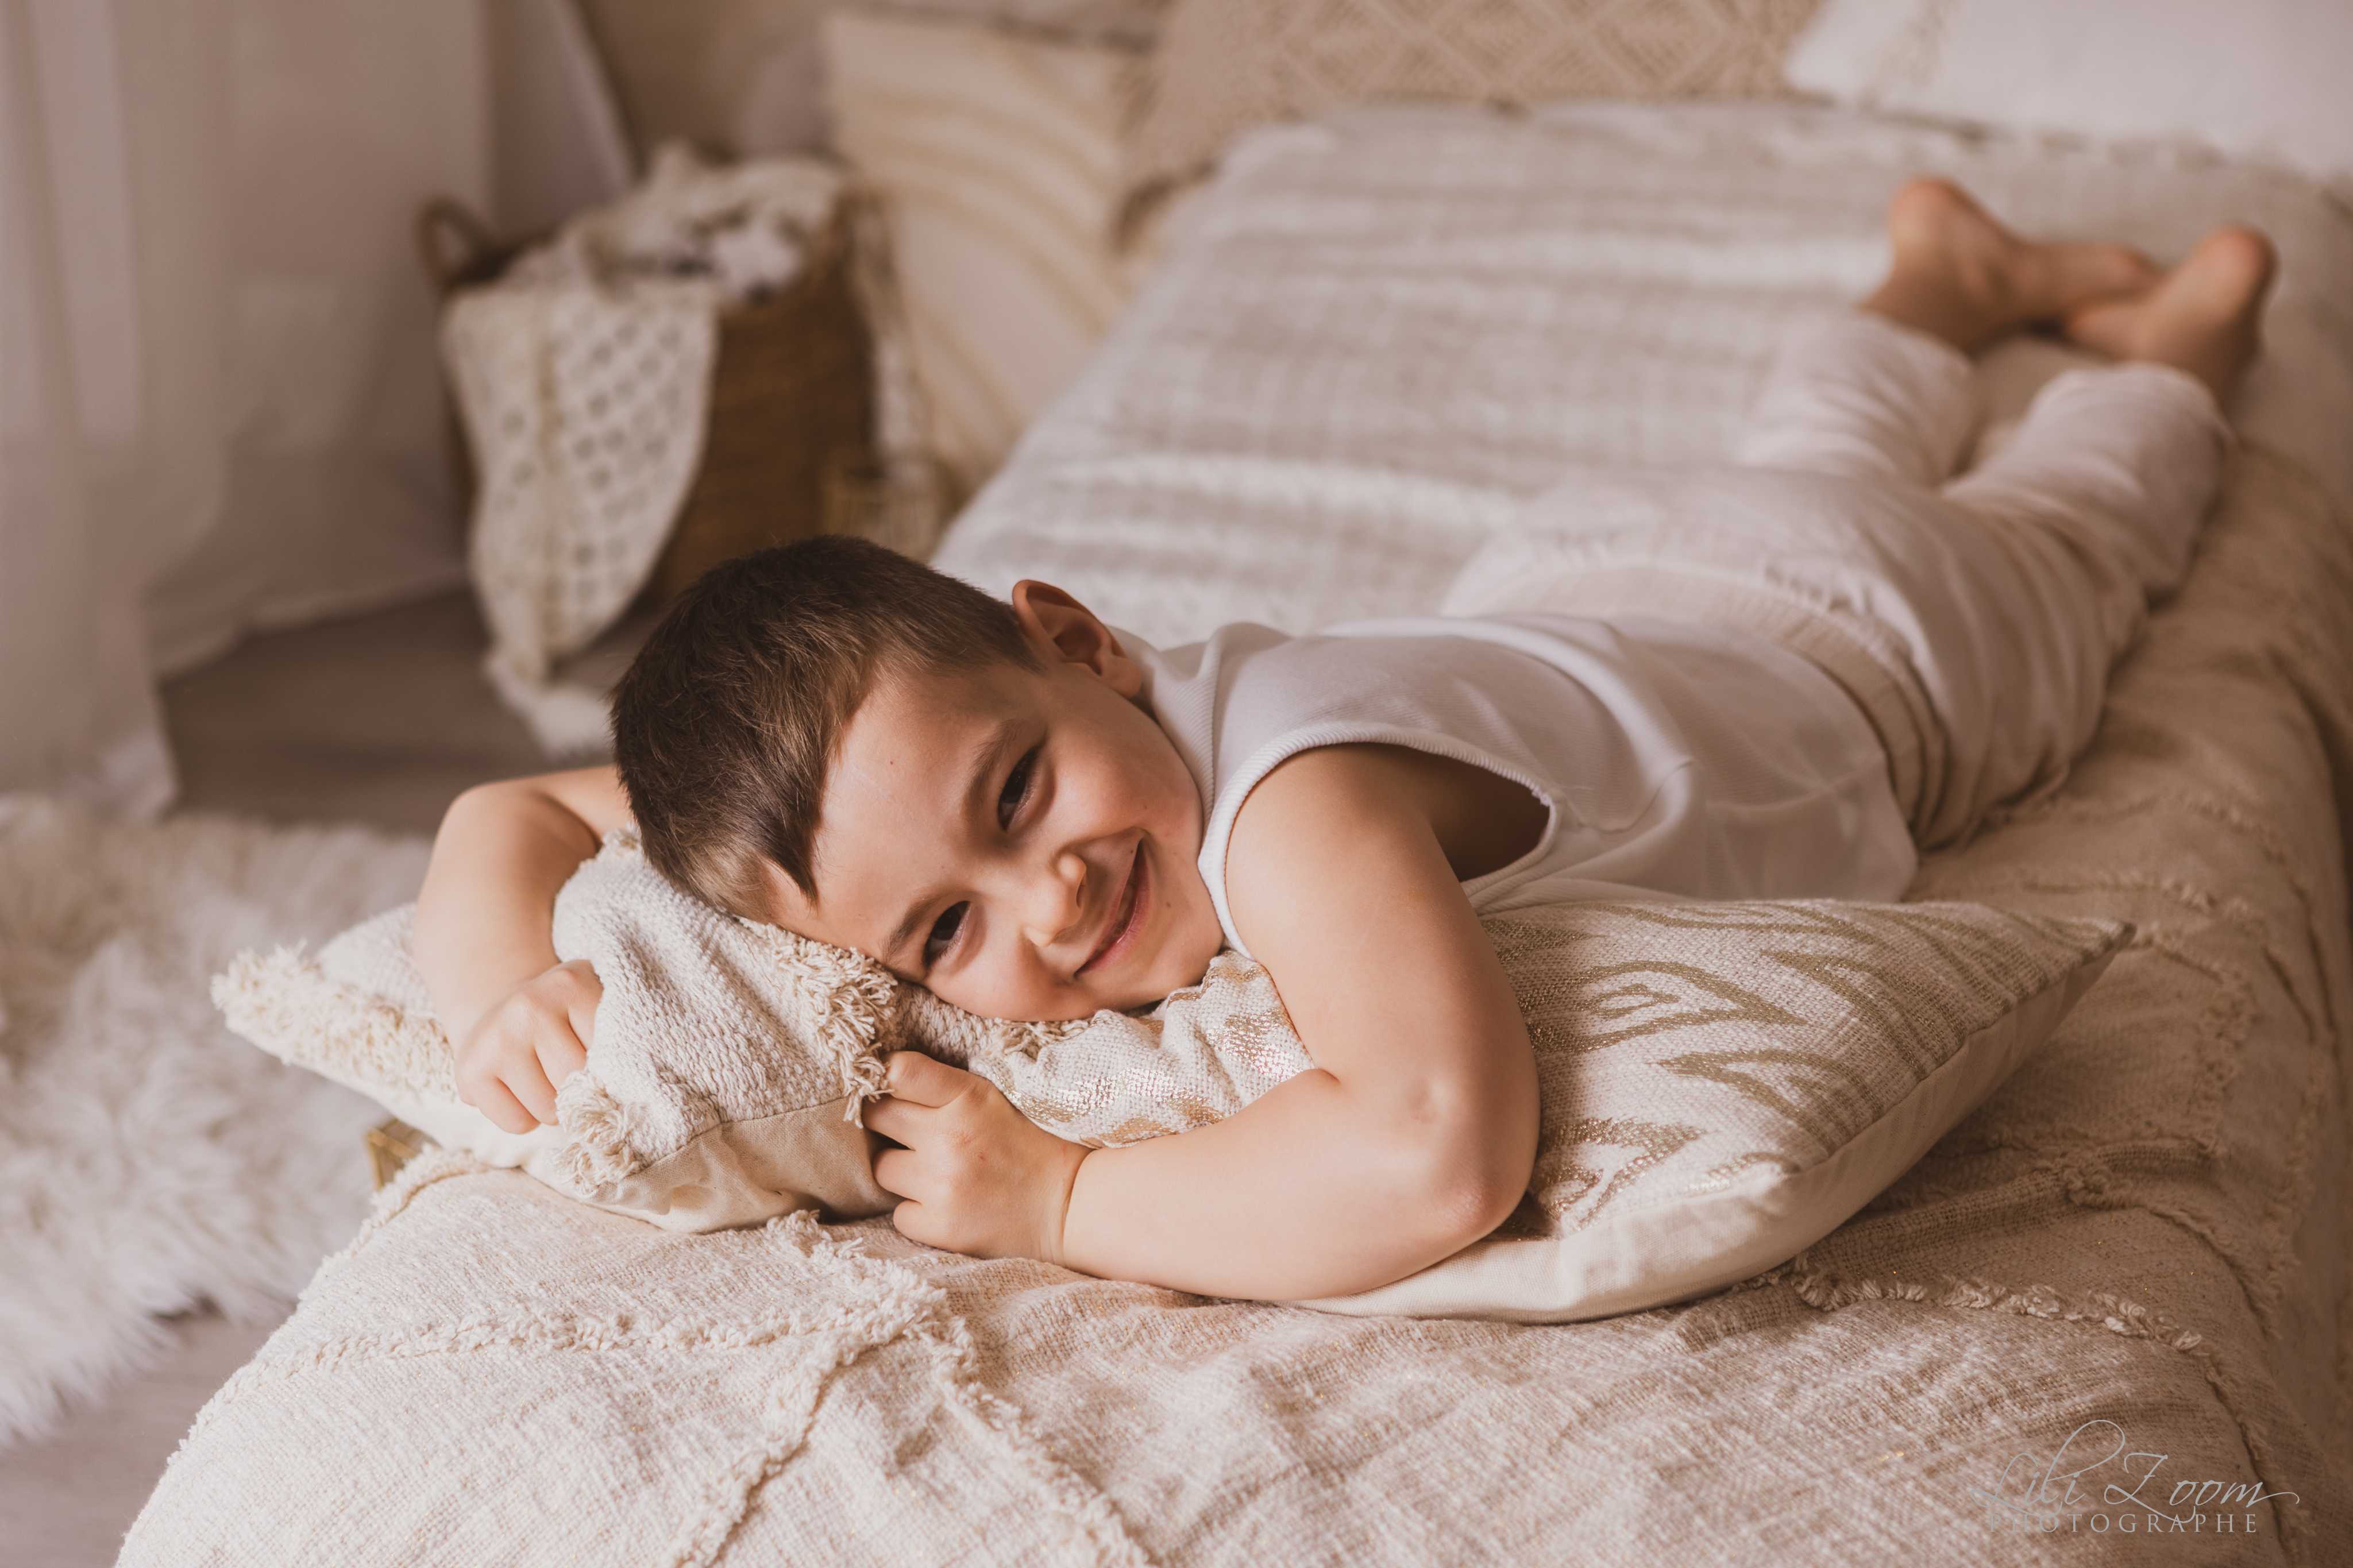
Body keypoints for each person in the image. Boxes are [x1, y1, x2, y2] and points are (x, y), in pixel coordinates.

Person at [413, 178, 2276, 1304]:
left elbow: (1440, 1152)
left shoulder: (1298, 817)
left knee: (2075, 539)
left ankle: (2189, 339)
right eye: (938, 936)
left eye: (1017, 792)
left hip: (1870, 659)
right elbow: (511, 808)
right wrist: (509, 983)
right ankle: (1938, 283)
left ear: (1079, 644)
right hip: (1584, 577)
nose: (1042, 905)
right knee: (1808, 451)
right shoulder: (889, 800)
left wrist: (1063, 1196)